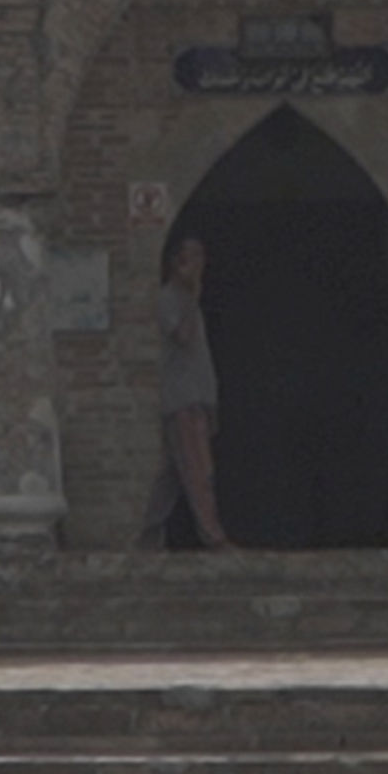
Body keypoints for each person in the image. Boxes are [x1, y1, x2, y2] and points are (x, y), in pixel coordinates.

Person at [137, 234, 235, 551]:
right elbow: (183, 336)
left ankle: (148, 535)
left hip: (196, 399)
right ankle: (213, 537)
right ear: (177, 262)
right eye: (191, 257)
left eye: (201, 257)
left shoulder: (190, 302)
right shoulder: (170, 299)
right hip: (183, 401)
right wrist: (192, 295)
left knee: (171, 475)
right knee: (198, 471)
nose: (198, 265)